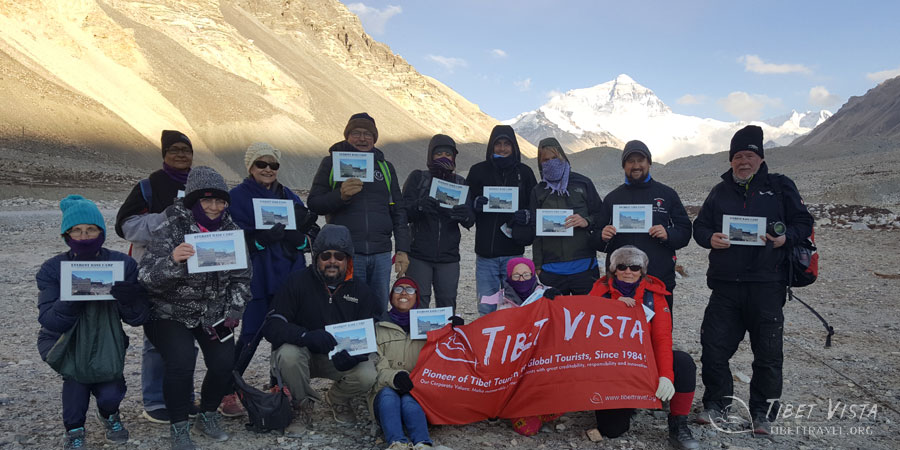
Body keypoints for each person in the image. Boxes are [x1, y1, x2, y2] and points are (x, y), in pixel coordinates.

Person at [692, 125, 813, 435]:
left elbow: (803, 222)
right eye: (738, 157)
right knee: (713, 348)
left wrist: (785, 238)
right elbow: (700, 227)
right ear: (731, 160)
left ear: (760, 159)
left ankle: (763, 413)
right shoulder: (719, 191)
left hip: (767, 285)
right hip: (725, 286)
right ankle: (717, 403)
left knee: (768, 354)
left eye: (749, 155)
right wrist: (710, 238)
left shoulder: (780, 187)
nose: (743, 162)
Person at [139, 166, 251, 449]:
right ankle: (179, 426)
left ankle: (208, 414)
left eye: (220, 201)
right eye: (207, 200)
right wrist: (173, 261)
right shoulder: (170, 228)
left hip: (214, 314)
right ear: (193, 201)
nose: (214, 207)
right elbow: (145, 278)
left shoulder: (232, 231)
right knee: (180, 363)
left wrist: (233, 312)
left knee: (224, 363)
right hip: (169, 313)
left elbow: (242, 277)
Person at [37, 195, 149, 449]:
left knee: (110, 392)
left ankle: (109, 414)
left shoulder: (123, 263)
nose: (84, 236)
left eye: (91, 229)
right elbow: (49, 320)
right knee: (76, 383)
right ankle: (74, 429)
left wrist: (129, 299)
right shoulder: (52, 268)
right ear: (66, 234)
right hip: (66, 341)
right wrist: (72, 298)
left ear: (101, 232)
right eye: (76, 230)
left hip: (107, 339)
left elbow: (138, 318)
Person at [225, 142, 319, 415]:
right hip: (257, 274)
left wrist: (297, 240)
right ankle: (227, 389)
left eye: (273, 165)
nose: (267, 169)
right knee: (251, 332)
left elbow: (311, 236)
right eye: (261, 164)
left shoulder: (289, 196)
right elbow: (231, 240)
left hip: (290, 274)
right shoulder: (237, 197)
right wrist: (260, 240)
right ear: (250, 167)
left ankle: (279, 385)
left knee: (285, 330)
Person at [114, 129, 197, 423]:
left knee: (188, 336)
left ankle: (184, 397)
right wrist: (166, 219)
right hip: (155, 272)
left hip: (193, 273)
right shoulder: (147, 186)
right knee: (156, 339)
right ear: (164, 154)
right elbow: (125, 226)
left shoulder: (199, 183)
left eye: (186, 150)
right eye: (174, 149)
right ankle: (154, 401)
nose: (181, 154)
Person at [264, 224, 378, 431]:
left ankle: (337, 398)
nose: (332, 261)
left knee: (368, 374)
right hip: (303, 353)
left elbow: (369, 333)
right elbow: (272, 325)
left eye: (339, 256)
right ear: (316, 258)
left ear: (348, 260)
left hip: (337, 357)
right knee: (287, 355)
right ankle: (302, 405)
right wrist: (304, 336)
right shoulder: (296, 281)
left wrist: (356, 356)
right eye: (325, 256)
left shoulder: (361, 291)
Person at [588, 246, 699, 449]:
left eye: (634, 267)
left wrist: (666, 375)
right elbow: (586, 332)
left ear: (642, 271)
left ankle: (678, 423)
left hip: (646, 361)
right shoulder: (599, 293)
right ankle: (632, 401)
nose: (628, 271)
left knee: (683, 362)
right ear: (613, 269)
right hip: (614, 365)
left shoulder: (653, 296)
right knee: (612, 430)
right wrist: (614, 307)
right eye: (622, 266)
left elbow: (662, 339)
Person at [307, 113, 410, 314]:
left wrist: (402, 250)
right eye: (356, 133)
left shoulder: (385, 167)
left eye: (367, 134)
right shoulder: (332, 163)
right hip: (347, 253)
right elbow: (314, 203)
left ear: (374, 138)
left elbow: (398, 210)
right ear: (347, 136)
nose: (362, 138)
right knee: (349, 307)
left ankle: (378, 336)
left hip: (381, 253)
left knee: (378, 307)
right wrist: (340, 196)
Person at [593, 140, 692, 312]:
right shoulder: (613, 198)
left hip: (658, 279)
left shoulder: (666, 194)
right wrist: (602, 236)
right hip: (621, 282)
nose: (636, 165)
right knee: (621, 327)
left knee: (659, 327)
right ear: (624, 165)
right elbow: (595, 237)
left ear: (649, 163)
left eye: (641, 160)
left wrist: (668, 234)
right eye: (631, 161)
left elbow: (685, 231)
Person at [466, 125, 537, 315]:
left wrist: (526, 215)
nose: (503, 148)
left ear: (514, 146)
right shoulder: (478, 171)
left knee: (516, 305)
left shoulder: (525, 172)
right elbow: (465, 203)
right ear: (492, 146)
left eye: (507, 144)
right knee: (486, 307)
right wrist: (475, 204)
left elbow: (535, 206)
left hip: (513, 253)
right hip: (485, 254)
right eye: (498, 144)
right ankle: (487, 335)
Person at [519, 138, 602, 295]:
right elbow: (536, 230)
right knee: (555, 311)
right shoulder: (538, 191)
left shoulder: (583, 183)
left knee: (585, 310)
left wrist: (586, 221)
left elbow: (601, 215)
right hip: (551, 270)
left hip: (584, 267)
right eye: (546, 160)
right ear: (540, 163)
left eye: (555, 158)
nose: (551, 162)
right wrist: (538, 266)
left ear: (563, 156)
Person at [401, 134, 475, 311]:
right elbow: (402, 213)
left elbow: (470, 221)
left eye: (448, 154)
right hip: (419, 255)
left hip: (449, 256)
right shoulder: (418, 178)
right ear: (430, 155)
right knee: (419, 301)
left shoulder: (460, 182)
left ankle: (446, 331)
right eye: (438, 153)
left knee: (447, 302)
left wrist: (465, 215)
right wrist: (420, 206)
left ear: (454, 157)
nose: (443, 157)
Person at [368, 277, 435, 450]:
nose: (404, 293)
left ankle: (423, 443)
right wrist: (394, 377)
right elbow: (374, 362)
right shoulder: (377, 327)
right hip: (384, 387)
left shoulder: (430, 326)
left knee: (409, 400)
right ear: (391, 297)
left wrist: (456, 329)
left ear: (417, 297)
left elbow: (446, 353)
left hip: (416, 388)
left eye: (410, 290)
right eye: (398, 289)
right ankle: (397, 443)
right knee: (388, 396)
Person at [479, 257, 548, 312]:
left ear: (533, 276)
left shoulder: (546, 293)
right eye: (516, 276)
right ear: (509, 277)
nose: (521, 279)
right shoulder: (501, 298)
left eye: (526, 275)